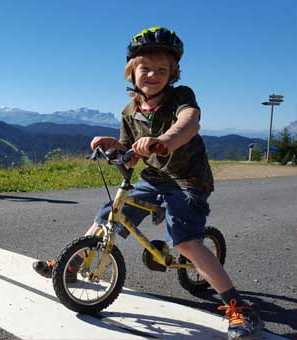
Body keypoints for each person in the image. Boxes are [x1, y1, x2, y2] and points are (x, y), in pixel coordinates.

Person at [33, 26, 263, 340]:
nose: (152, 75)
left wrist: (165, 141)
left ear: (172, 73)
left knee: (185, 241)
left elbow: (189, 123)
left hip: (187, 179)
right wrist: (115, 146)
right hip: (154, 177)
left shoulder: (181, 97)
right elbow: (130, 154)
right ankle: (73, 264)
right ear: (131, 71)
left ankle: (239, 308)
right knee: (110, 215)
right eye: (145, 68)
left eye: (161, 70)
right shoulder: (129, 111)